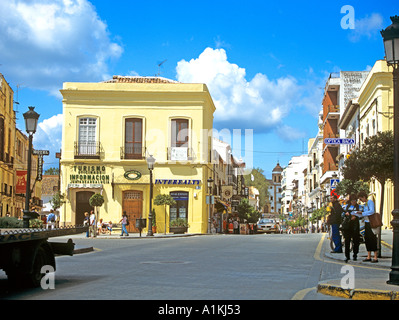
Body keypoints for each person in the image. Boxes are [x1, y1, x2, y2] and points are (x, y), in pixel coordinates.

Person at [353, 191, 378, 263]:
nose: (361, 201)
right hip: (367, 223)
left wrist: (362, 213)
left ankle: (375, 256)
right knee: (367, 239)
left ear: (364, 197)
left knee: (372, 239)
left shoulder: (370, 202)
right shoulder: (365, 204)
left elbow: (372, 211)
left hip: (371, 223)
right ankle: (369, 256)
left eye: (361, 199)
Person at [342, 194, 360, 262]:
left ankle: (355, 254)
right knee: (347, 241)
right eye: (352, 200)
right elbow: (343, 214)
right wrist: (346, 214)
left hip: (355, 225)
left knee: (356, 241)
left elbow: (361, 215)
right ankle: (347, 256)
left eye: (355, 200)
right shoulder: (346, 206)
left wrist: (356, 216)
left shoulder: (359, 207)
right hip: (348, 226)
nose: (354, 202)